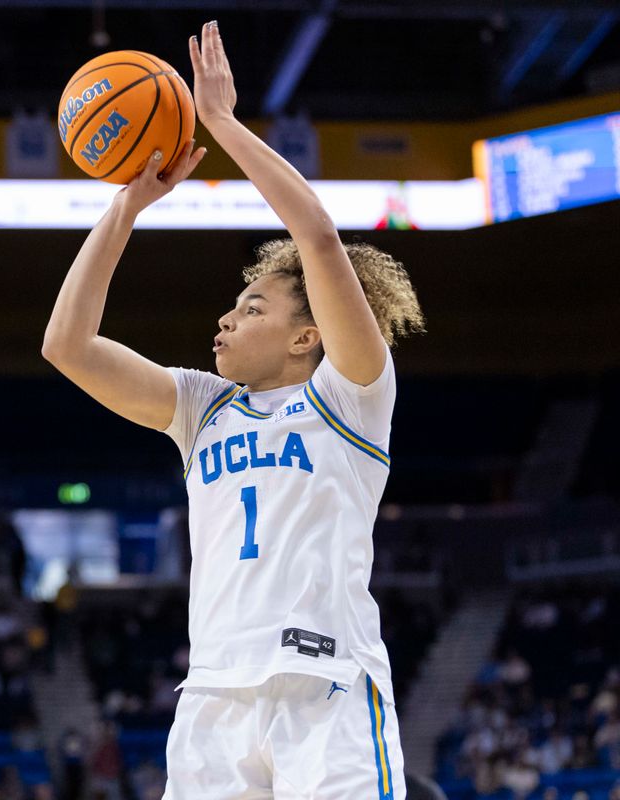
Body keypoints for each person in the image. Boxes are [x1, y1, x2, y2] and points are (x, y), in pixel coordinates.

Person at [42, 21, 424, 800]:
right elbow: (67, 345)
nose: (225, 321)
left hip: (327, 688)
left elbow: (316, 237)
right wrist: (126, 208)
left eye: (251, 308)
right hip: (213, 699)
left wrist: (221, 124)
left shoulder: (350, 395)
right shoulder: (202, 407)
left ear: (306, 334)